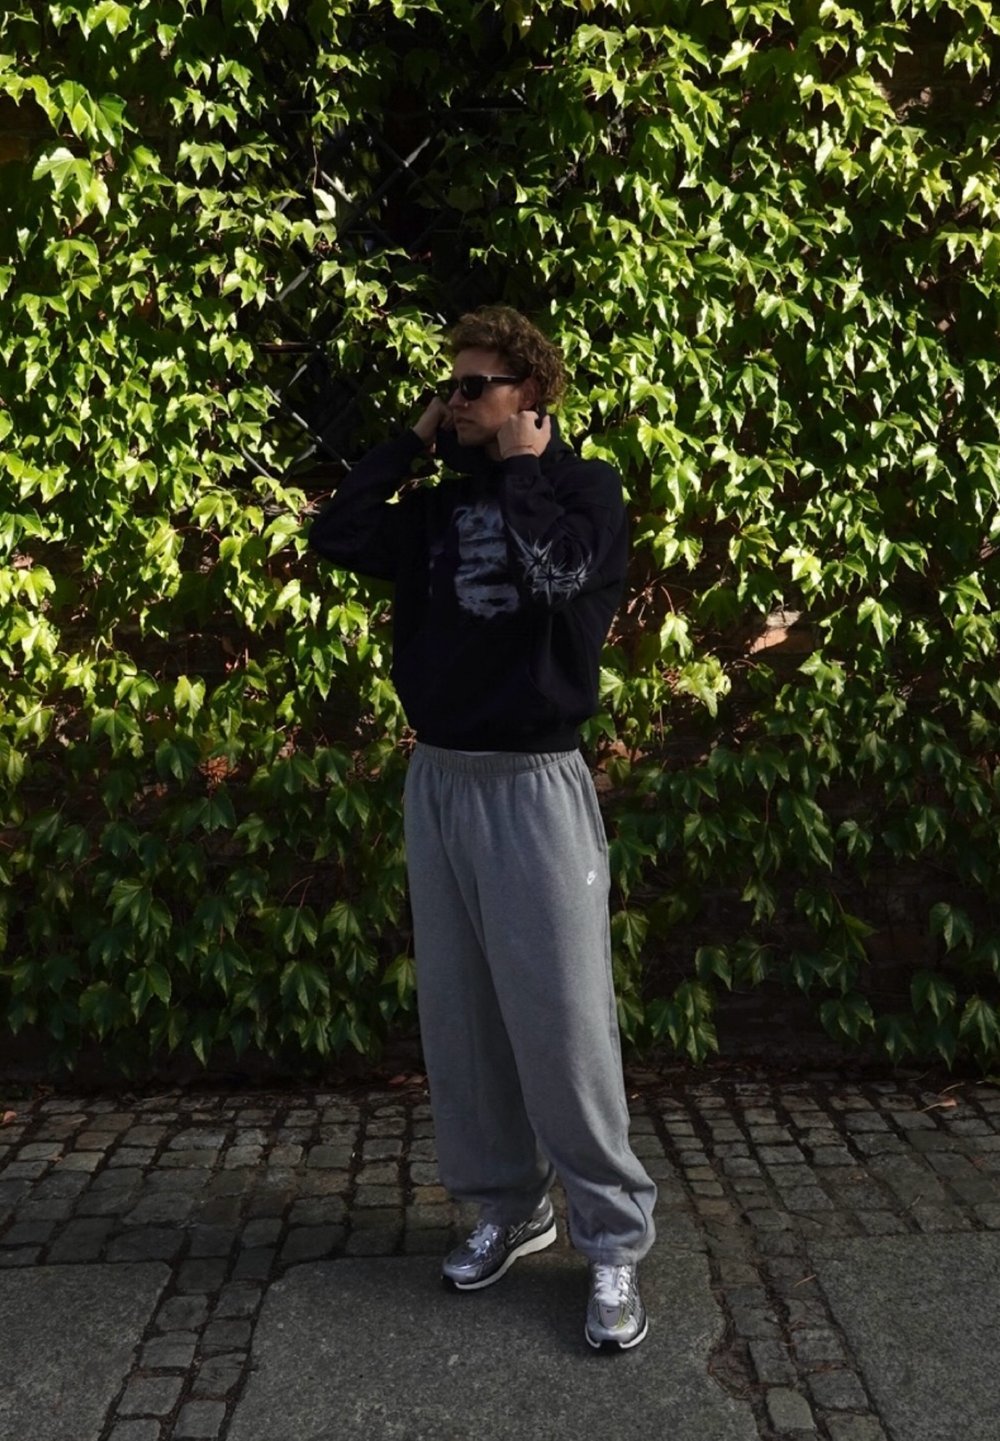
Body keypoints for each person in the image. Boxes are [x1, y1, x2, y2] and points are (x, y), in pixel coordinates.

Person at [309, 304, 656, 1349]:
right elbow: (335, 534)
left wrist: (518, 471)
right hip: (442, 779)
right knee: (461, 1018)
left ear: (530, 401)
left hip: (535, 781)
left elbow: (557, 582)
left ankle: (610, 1243)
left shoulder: (584, 491)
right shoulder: (432, 503)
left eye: (472, 388)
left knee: (561, 1021)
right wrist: (410, 440)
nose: (452, 401)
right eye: (447, 386)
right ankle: (510, 1204)